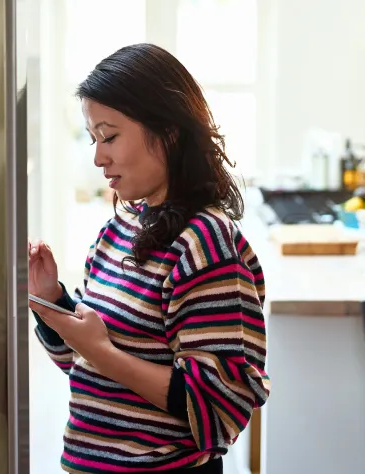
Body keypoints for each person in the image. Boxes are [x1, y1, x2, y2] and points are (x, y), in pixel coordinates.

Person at [28, 43, 271, 474]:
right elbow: (83, 365)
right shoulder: (116, 232)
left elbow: (220, 410)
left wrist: (101, 352)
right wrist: (51, 300)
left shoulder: (206, 244)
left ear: (168, 130)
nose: (99, 156)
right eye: (94, 139)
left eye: (110, 136)